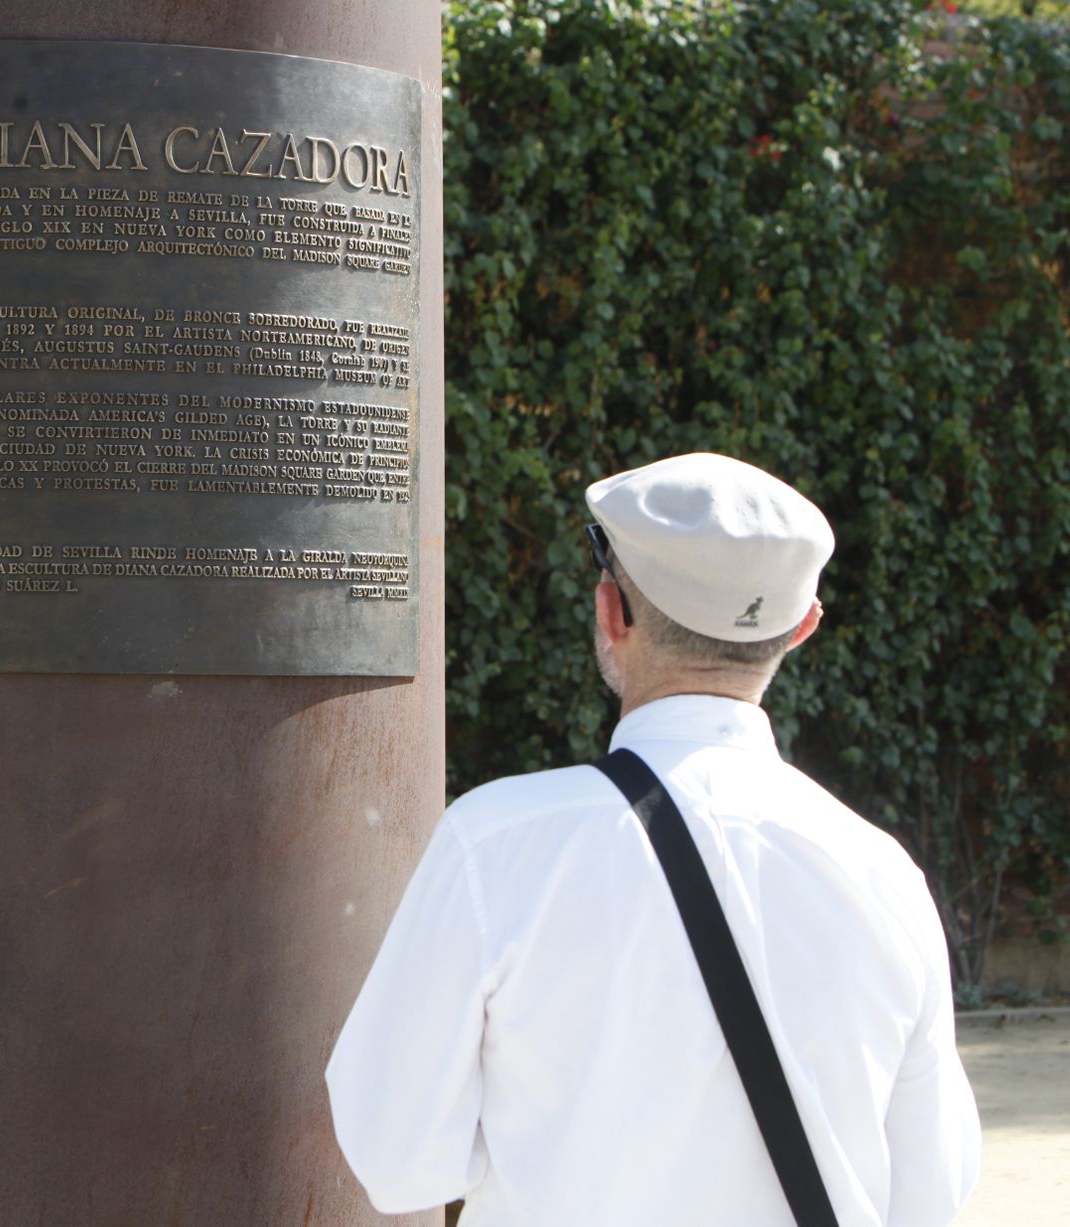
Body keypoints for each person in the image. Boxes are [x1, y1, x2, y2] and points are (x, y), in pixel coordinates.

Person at [325, 453, 981, 1226]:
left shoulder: (493, 843)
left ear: (611, 611)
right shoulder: (885, 876)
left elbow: (396, 1160)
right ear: (803, 628)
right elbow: (932, 1193)